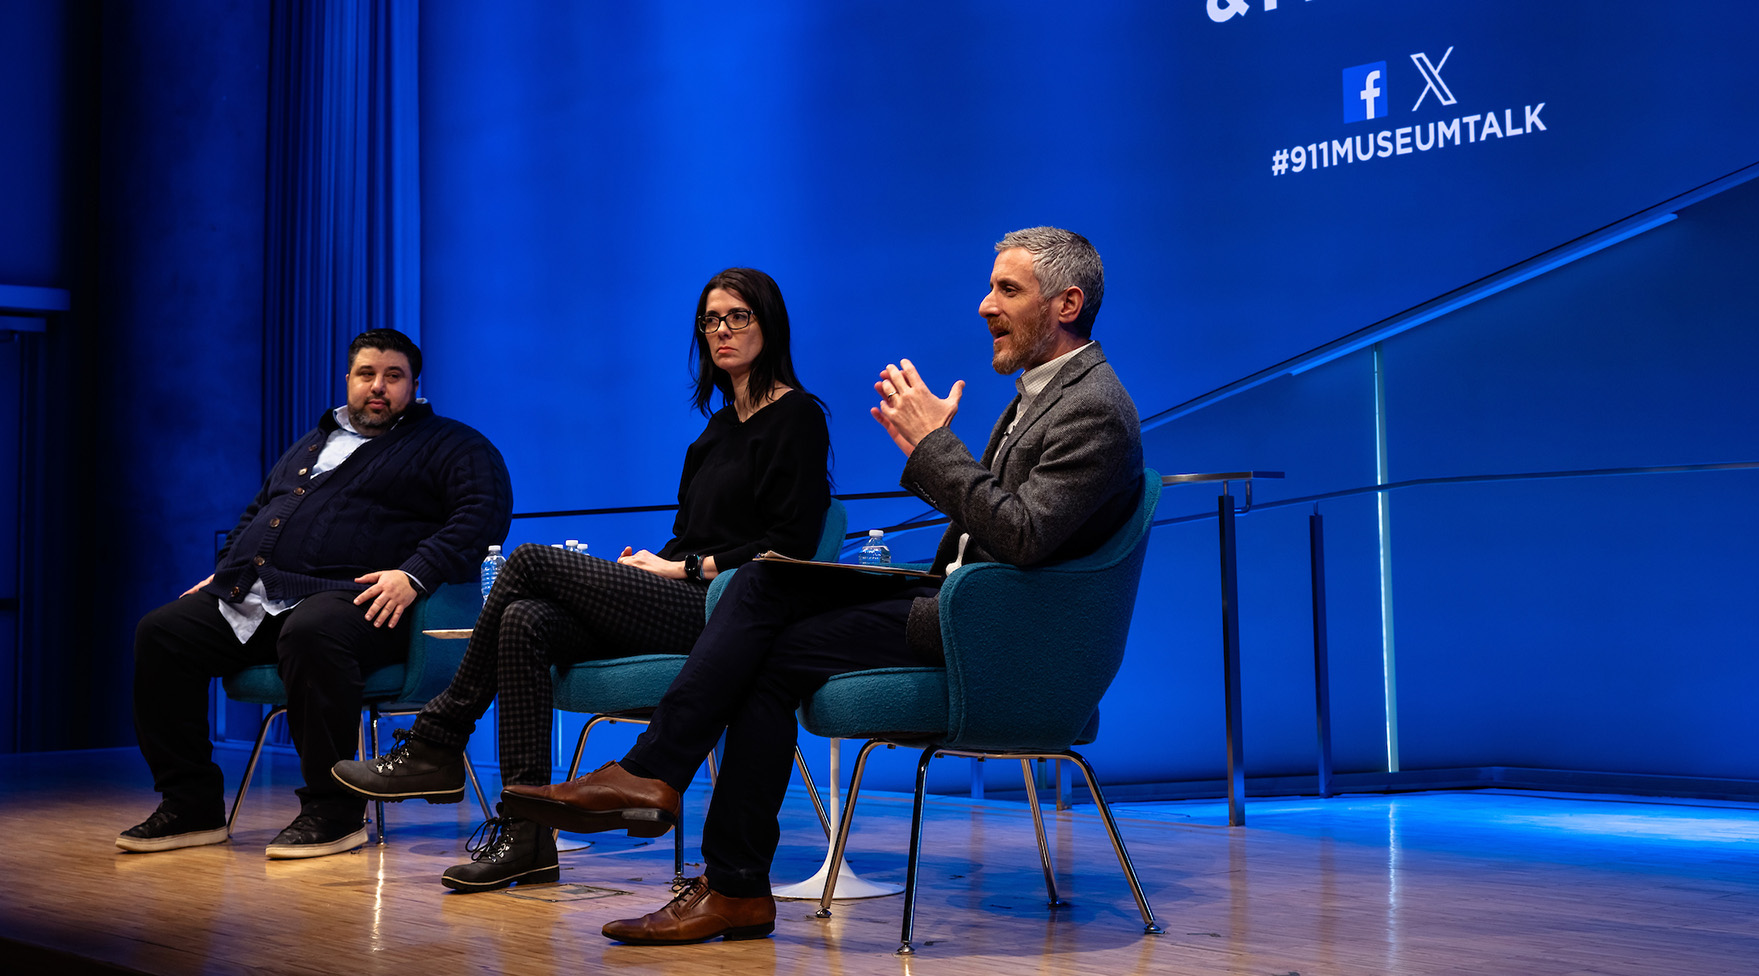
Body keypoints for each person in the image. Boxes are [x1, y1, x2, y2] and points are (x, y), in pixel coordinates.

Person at [501, 226, 1143, 945]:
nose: (985, 305)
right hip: (958, 605)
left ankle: (662, 788)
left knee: (760, 609)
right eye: (991, 287)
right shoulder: (1044, 394)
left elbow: (1023, 536)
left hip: (996, 633)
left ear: (1068, 303)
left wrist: (936, 448)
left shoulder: (1094, 407)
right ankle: (729, 881)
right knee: (764, 597)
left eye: (1007, 290)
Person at [330, 268, 832, 892]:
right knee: (524, 620)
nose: (721, 331)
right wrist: (649, 562)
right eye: (710, 319)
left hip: (729, 612)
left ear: (769, 323)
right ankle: (526, 837)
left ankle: (437, 739)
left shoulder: (799, 417)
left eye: (737, 316)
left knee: (529, 562)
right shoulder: (715, 430)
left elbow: (791, 547)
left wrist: (681, 568)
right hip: (678, 590)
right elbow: (694, 534)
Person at [119, 329, 513, 860]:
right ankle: (191, 804)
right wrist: (225, 573)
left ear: (415, 385)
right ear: (347, 379)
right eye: (366, 374)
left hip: (364, 602)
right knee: (163, 633)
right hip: (264, 596)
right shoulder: (311, 443)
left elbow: (480, 516)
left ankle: (334, 811)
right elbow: (257, 513)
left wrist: (414, 573)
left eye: (392, 376)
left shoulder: (454, 444)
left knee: (313, 631)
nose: (378, 386)